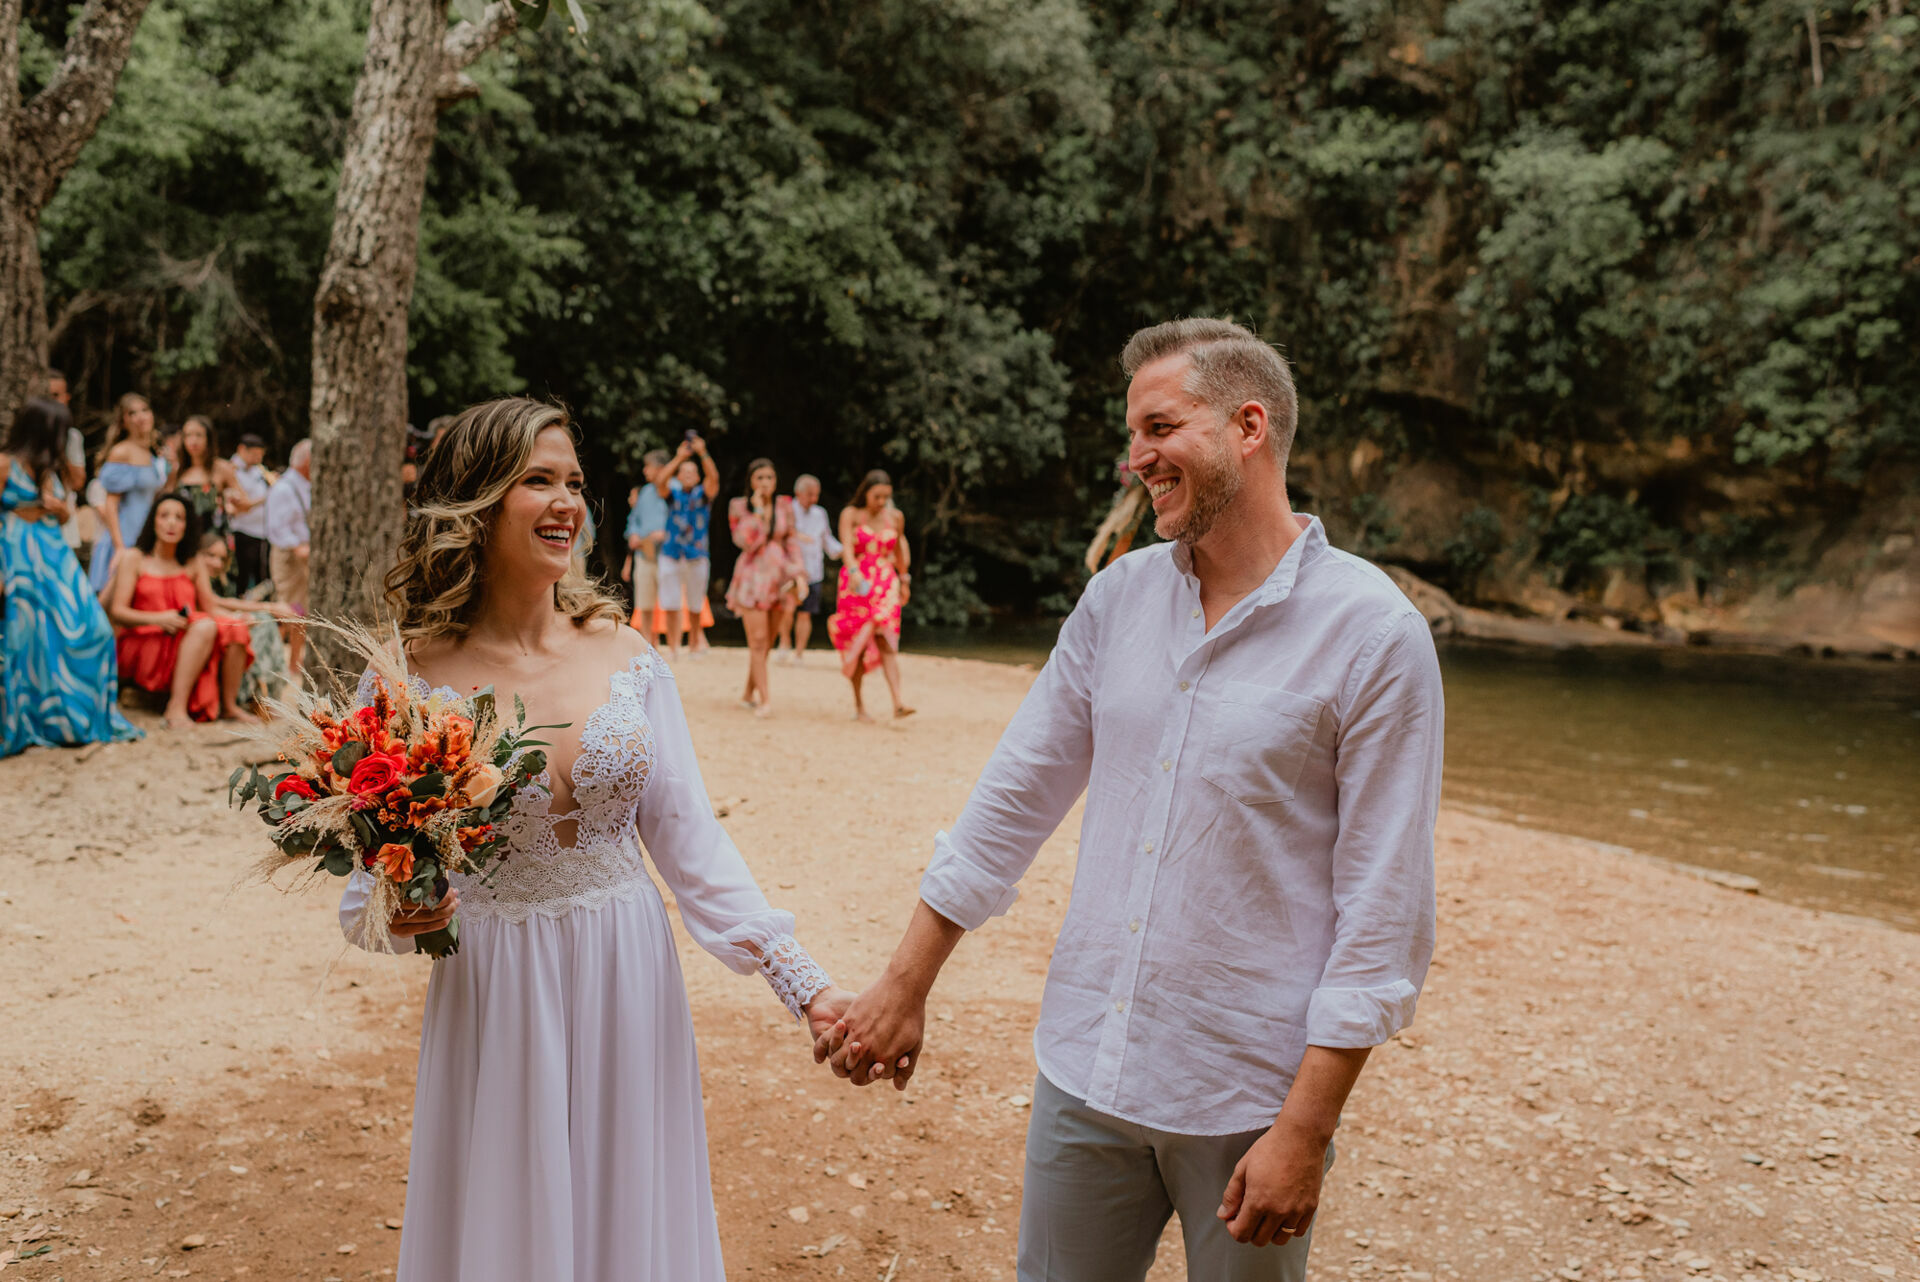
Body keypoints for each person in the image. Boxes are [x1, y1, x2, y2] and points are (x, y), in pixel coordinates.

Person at [813, 319, 1445, 1282]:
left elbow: (1384, 907)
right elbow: (1014, 798)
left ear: (1247, 426)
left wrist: (1305, 1131)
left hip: (1250, 1095)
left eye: (1157, 427)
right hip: (1085, 1065)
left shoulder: (1374, 635)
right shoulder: (1116, 603)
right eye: (1131, 433)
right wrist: (905, 982)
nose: (1133, 458)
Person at [334, 397, 853, 1281]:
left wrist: (804, 986)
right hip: (497, 986)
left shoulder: (626, 654)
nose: (568, 501)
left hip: (626, 968)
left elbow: (691, 846)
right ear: (479, 500)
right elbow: (362, 893)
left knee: (629, 1210)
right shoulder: (410, 679)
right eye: (539, 481)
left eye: (574, 481)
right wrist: (404, 912)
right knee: (512, 1214)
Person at [1, 398, 141, 757]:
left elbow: (63, 518)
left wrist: (63, 510)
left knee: (92, 628)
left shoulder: (54, 468)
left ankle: (74, 717)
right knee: (28, 640)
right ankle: (37, 720)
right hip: (17, 553)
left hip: (55, 554)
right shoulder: (4, 464)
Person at [106, 493, 256, 727]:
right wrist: (160, 619)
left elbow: (210, 606)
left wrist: (236, 617)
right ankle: (175, 708)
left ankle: (230, 705)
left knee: (234, 628)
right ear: (153, 521)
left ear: (187, 526)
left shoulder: (192, 562)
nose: (171, 523)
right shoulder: (134, 558)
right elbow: (118, 612)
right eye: (164, 516)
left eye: (179, 518)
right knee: (205, 626)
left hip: (183, 637)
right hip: (144, 639)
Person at [827, 469, 913, 721]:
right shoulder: (851, 514)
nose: (881, 502)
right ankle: (859, 705)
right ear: (865, 492)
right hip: (857, 584)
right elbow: (847, 548)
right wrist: (854, 571)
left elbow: (899, 550)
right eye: (876, 496)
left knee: (887, 640)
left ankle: (898, 702)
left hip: (886, 583)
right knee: (858, 643)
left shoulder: (895, 517)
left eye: (885, 497)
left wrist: (904, 579)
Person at [724, 458, 807, 717]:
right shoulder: (739, 506)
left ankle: (749, 692)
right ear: (751, 481)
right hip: (752, 579)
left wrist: (799, 574)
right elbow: (744, 541)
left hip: (779, 577)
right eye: (759, 478)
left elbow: (791, 541)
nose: (765, 483)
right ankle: (765, 699)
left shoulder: (785, 505)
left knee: (768, 641)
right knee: (757, 641)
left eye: (769, 478)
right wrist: (758, 513)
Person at [192, 531, 295, 710]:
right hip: (202, 627)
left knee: (263, 621)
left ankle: (261, 695)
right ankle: (251, 695)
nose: (217, 563)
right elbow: (214, 604)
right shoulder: (195, 572)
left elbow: (221, 603)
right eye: (211, 555)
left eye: (222, 559)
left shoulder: (217, 581)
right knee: (262, 623)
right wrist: (266, 608)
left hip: (214, 622)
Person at [87, 392, 169, 595]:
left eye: (144, 410)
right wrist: (119, 547)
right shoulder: (122, 452)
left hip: (146, 533)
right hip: (125, 534)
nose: (140, 417)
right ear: (123, 422)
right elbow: (111, 505)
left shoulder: (151, 452)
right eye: (132, 413)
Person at [653, 431, 719, 658]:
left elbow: (714, 479)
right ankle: (673, 647)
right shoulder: (672, 494)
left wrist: (702, 453)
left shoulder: (704, 495)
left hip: (697, 553)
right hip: (671, 552)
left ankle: (693, 645)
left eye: (693, 471)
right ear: (678, 476)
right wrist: (679, 458)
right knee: (670, 602)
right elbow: (660, 481)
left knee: (695, 602)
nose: (689, 474)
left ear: (698, 476)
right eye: (684, 472)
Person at [775, 472, 841, 663]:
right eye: (810, 494)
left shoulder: (820, 513)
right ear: (798, 493)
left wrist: (843, 551)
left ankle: (799, 653)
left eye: (816, 495)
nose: (813, 499)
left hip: (814, 571)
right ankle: (784, 643)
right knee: (787, 611)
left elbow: (826, 538)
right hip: (791, 571)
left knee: (806, 613)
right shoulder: (787, 509)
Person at [173, 416, 238, 588]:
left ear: (208, 438)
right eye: (188, 435)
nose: (193, 441)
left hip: (216, 543)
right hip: (187, 542)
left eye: (198, 435)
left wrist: (233, 501)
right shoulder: (178, 471)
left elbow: (242, 502)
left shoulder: (221, 468)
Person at [265, 438, 312, 678]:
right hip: (288, 556)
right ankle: (271, 659)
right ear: (307, 461)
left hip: (303, 554)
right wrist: (297, 547)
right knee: (288, 608)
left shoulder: (304, 484)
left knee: (301, 610)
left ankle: (294, 662)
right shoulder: (284, 488)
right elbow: (277, 526)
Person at [622, 449, 670, 646]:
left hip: (668, 553)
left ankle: (671, 642)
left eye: (648, 466)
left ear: (660, 468)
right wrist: (633, 533)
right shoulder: (646, 492)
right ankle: (649, 642)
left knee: (669, 600)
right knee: (645, 600)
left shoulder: (673, 489)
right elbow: (634, 519)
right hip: (644, 552)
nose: (644, 470)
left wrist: (664, 532)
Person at [225, 433, 273, 594]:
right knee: (243, 577)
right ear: (242, 450)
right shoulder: (231, 470)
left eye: (260, 455)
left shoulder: (258, 470)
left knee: (262, 578)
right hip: (243, 531)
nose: (258, 458)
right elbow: (241, 505)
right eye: (254, 454)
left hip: (261, 531)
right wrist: (268, 497)